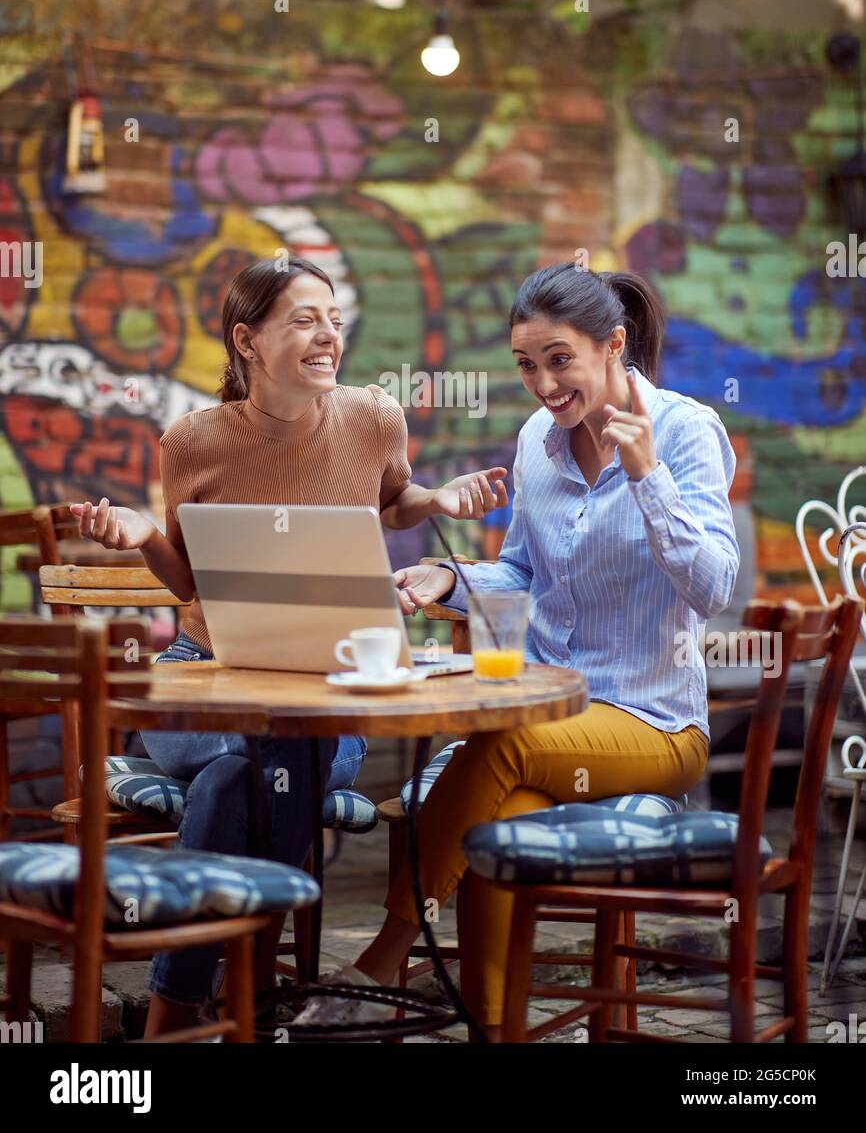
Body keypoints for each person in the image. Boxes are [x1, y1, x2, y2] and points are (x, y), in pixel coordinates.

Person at [293, 264, 739, 1040]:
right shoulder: (541, 440)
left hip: (657, 725)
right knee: (493, 835)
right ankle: (492, 1032)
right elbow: (523, 573)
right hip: (555, 718)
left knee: (500, 745)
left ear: (613, 345)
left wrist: (647, 479)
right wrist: (450, 576)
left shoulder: (686, 432)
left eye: (559, 360)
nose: (543, 385)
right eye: (527, 365)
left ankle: (385, 954)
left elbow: (715, 587)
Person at [72, 256, 507, 1037]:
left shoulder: (373, 417)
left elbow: (393, 496)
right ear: (248, 339)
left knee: (239, 777)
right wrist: (142, 536)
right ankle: (246, 1000)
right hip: (206, 680)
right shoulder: (192, 439)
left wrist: (435, 497)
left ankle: (175, 1013)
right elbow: (184, 582)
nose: (328, 335)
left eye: (333, 318)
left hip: (326, 689)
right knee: (262, 757)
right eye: (304, 319)